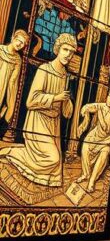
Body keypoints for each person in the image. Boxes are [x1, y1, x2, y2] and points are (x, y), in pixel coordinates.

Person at [0, 32, 75, 186]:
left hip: (53, 126)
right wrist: (55, 98)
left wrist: (66, 101)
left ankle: (24, 154)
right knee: (53, 159)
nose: (68, 55)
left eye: (71, 52)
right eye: (65, 49)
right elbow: (31, 102)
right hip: (37, 122)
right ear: (58, 49)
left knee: (56, 165)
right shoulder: (44, 69)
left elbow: (66, 113)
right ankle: (11, 151)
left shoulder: (65, 75)